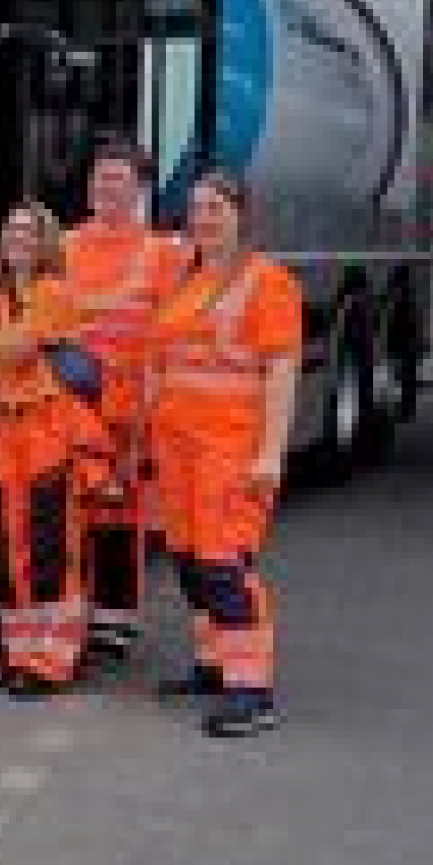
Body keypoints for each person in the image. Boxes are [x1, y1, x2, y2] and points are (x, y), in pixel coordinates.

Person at [151, 172, 302, 738]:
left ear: (240, 212)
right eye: (195, 210)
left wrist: (271, 454)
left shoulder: (268, 283)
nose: (203, 219)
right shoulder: (184, 281)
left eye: (215, 208)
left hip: (229, 452)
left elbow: (281, 372)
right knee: (192, 565)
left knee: (224, 567)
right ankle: (215, 667)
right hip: (179, 450)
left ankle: (252, 691)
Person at [0, 200, 113, 698]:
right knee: (1, 547)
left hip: (47, 434)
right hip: (6, 434)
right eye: (10, 230)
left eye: (29, 232)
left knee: (49, 549)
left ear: (46, 243)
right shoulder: (2, 298)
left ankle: (52, 661)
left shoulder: (52, 293)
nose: (17, 240)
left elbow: (10, 350)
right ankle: (20, 654)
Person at [65, 143, 193, 665]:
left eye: (118, 179)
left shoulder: (166, 253)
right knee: (69, 517)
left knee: (118, 516)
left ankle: (114, 621)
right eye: (99, 178)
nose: (106, 188)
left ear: (140, 189)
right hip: (71, 408)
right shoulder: (65, 245)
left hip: (127, 411)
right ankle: (72, 615)